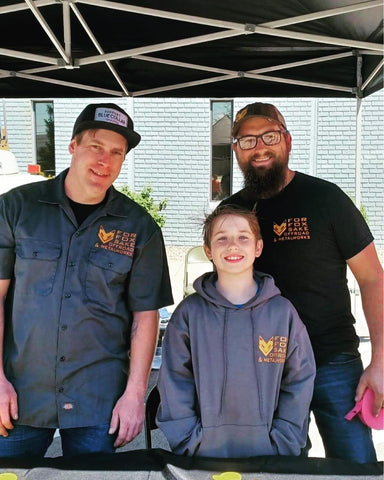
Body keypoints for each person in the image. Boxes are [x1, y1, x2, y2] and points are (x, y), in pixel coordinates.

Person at [0, 103, 174, 458]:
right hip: (20, 394)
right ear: (73, 146)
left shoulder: (139, 228)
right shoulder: (16, 209)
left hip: (98, 401)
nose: (104, 160)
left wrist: (134, 396)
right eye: (96, 146)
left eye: (116, 153)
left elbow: (146, 316)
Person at [220, 102, 383, 463]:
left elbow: (373, 279)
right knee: (279, 469)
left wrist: (381, 362)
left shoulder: (326, 199)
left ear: (287, 141)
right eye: (247, 140)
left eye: (269, 136)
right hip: (263, 367)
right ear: (236, 151)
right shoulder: (231, 215)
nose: (259, 146)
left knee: (356, 466)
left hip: (333, 363)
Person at [156, 204, 316, 457]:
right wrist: (190, 440)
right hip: (203, 456)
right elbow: (175, 381)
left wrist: (284, 440)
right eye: (222, 238)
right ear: (208, 250)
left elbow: (299, 379)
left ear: (258, 247)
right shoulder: (188, 315)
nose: (233, 245)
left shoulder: (282, 313)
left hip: (270, 455)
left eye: (243, 237)